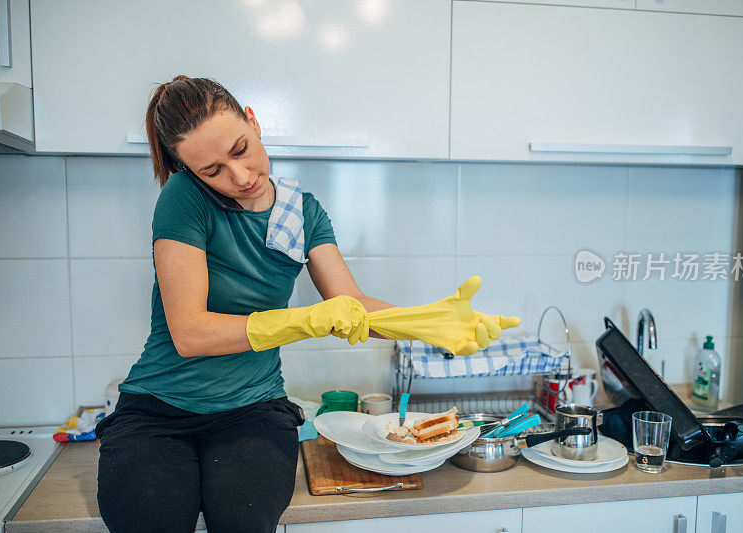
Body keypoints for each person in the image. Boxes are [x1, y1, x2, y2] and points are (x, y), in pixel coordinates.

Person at [95, 75, 517, 533]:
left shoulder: (302, 212)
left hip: (252, 409)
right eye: (212, 171)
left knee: (245, 521)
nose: (240, 177)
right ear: (191, 172)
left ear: (253, 122)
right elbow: (191, 333)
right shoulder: (184, 199)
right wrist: (305, 320)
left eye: (240, 150)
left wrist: (429, 322)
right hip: (158, 411)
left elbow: (351, 303)